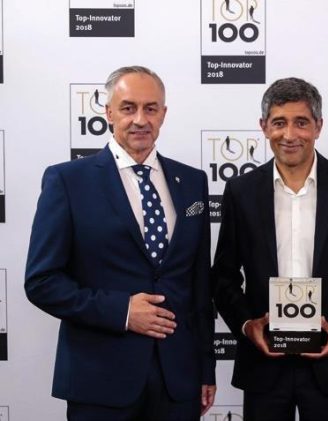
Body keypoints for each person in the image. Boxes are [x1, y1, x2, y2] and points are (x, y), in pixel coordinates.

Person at [25, 66, 216, 420]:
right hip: (99, 380)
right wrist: (123, 312)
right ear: (109, 113)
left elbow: (199, 285)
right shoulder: (68, 181)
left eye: (151, 108)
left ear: (163, 114)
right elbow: (42, 282)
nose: (140, 119)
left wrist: (206, 367)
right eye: (128, 108)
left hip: (178, 381)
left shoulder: (193, 182)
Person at [211, 77, 328, 421]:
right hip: (264, 364)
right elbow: (223, 277)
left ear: (319, 126)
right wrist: (247, 325)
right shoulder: (240, 191)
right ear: (264, 127)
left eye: (301, 122)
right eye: (279, 122)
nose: (289, 134)